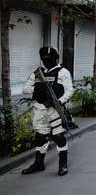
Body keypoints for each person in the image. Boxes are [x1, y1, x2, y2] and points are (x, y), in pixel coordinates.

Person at [22, 47, 74, 176]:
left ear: (56, 58)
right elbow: (25, 88)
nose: (47, 61)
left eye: (49, 59)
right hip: (39, 109)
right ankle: (38, 164)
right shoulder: (37, 73)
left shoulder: (63, 72)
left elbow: (69, 90)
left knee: (58, 136)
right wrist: (37, 89)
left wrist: (60, 101)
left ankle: (63, 164)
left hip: (55, 109)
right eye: (44, 59)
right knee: (40, 136)